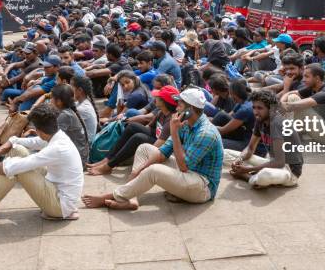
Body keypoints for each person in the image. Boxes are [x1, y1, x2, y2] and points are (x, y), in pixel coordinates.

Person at [82, 87, 223, 210]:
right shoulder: (185, 122)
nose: (176, 106)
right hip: (188, 172)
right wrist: (138, 171)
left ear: (190, 109)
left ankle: (114, 195)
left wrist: (173, 133)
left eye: (180, 103)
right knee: (144, 148)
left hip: (202, 186)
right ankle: (132, 198)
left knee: (154, 171)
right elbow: (163, 152)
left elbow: (184, 166)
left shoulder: (205, 133)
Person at [0, 104, 84, 221]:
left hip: (60, 206)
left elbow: (14, 167)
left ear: (38, 130)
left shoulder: (57, 148)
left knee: (17, 168)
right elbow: (17, 141)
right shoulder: (56, 135)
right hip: (56, 188)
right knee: (18, 150)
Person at [86, 85, 179, 176]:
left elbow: (159, 145)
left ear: (164, 102)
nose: (155, 98)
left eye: (158, 97)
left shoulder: (171, 120)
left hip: (163, 147)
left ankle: (109, 166)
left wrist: (141, 152)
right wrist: (129, 124)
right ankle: (107, 159)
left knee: (138, 137)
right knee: (133, 127)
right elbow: (148, 127)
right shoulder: (161, 112)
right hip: (156, 137)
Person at [226, 90, 304, 189]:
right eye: (254, 107)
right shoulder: (260, 120)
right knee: (225, 153)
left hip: (288, 171)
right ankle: (254, 176)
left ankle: (247, 177)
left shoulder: (277, 123)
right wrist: (239, 159)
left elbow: (280, 162)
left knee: (265, 175)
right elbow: (250, 148)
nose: (255, 112)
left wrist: (246, 171)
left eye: (260, 108)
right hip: (271, 162)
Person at [281, 63, 325, 144]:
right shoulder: (314, 87)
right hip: (322, 128)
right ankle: (294, 132)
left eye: (307, 76)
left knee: (298, 105)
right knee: (293, 97)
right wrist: (282, 102)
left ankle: (290, 135)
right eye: (304, 76)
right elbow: (290, 93)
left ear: (317, 78)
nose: (303, 79)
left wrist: (286, 87)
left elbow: (292, 106)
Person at [212, 79, 257, 152]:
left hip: (250, 144)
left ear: (234, 94)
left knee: (214, 142)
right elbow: (229, 116)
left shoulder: (245, 109)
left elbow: (223, 130)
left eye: (230, 93)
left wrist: (205, 126)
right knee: (222, 115)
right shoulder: (244, 101)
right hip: (244, 132)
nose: (229, 96)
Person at [51, 84, 90, 166]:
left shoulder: (65, 115)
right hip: (79, 157)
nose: (50, 100)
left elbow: (52, 138)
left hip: (77, 161)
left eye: (52, 98)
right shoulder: (67, 112)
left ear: (59, 101)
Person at [71, 76, 99, 143]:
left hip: (85, 146)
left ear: (80, 90)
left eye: (71, 87)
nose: (69, 90)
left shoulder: (83, 109)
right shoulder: (81, 102)